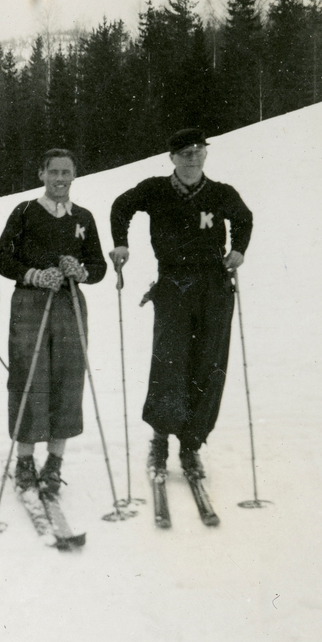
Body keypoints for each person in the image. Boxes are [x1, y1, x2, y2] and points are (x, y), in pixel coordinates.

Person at [110, 128, 252, 480]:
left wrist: (238, 249)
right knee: (169, 362)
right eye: (185, 153)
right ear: (171, 157)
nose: (193, 157)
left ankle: (191, 446)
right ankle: (160, 442)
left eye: (198, 151)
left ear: (206, 154)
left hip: (213, 285)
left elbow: (244, 217)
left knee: (209, 364)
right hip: (173, 283)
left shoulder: (220, 193)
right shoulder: (156, 189)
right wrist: (121, 243)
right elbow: (121, 206)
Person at [0, 150, 107, 495]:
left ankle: (54, 462)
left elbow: (98, 266)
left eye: (66, 173)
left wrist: (82, 272)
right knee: (30, 376)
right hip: (31, 300)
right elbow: (1, 258)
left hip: (69, 302)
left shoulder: (83, 217)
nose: (60, 179)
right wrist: (34, 274)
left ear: (74, 176)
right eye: (54, 172)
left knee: (69, 377)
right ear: (41, 174)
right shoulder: (25, 211)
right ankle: (25, 460)